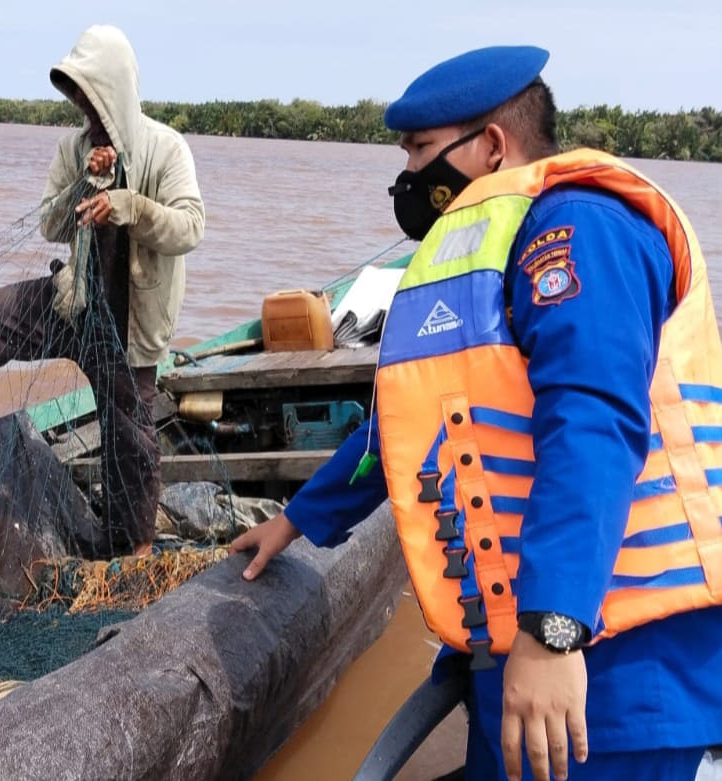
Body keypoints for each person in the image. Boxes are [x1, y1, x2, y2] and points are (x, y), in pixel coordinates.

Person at [230, 46, 722, 781]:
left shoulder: (580, 226)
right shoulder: (488, 246)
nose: (408, 175)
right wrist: (298, 518)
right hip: (513, 652)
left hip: (610, 670)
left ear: (491, 145)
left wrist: (552, 632)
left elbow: (593, 422)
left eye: (423, 150)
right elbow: (405, 425)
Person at [0, 25, 205, 558]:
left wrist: (127, 204)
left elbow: (191, 227)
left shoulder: (166, 148)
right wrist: (83, 184)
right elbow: (51, 224)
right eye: (76, 95)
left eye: (91, 95)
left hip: (131, 323)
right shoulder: (73, 149)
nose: (83, 108)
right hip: (74, 302)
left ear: (115, 92)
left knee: (132, 439)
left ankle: (138, 547)